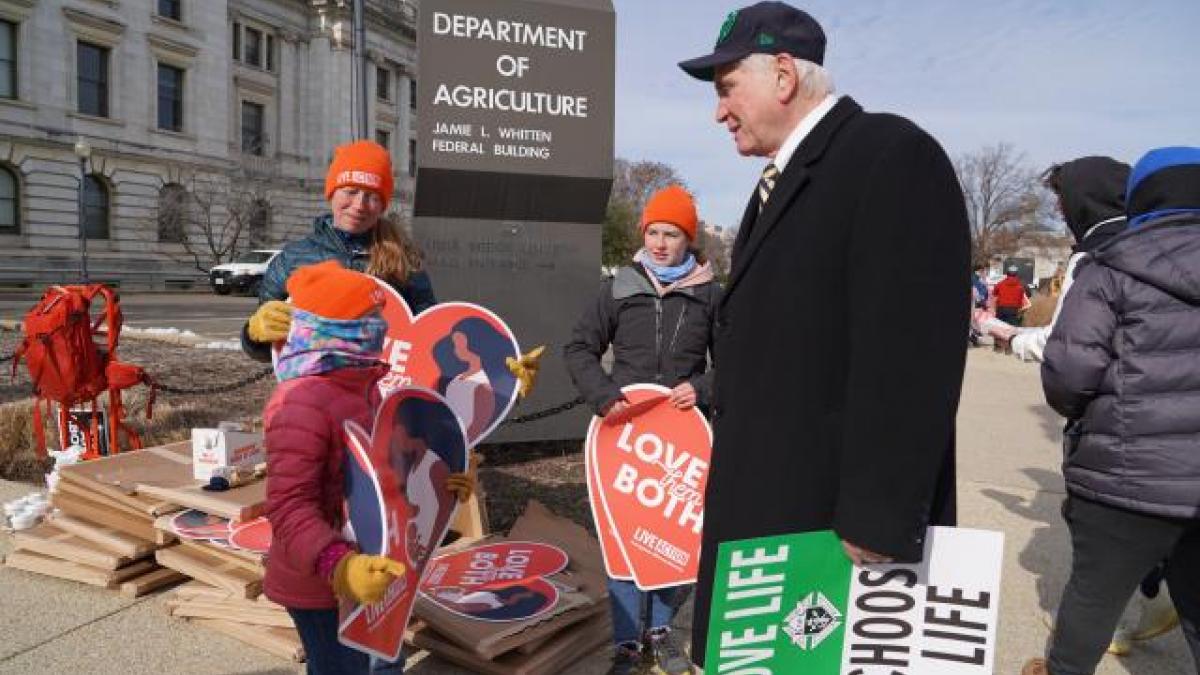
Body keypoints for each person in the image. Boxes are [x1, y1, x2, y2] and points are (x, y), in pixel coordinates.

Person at [677, 2, 969, 662]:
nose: (719, 112)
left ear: (783, 75)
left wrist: (879, 516)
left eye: (727, 88)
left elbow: (911, 353)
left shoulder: (890, 157)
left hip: (832, 527)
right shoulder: (780, 181)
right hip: (769, 502)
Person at [1022, 147, 1200, 675]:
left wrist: (1086, 418)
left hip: (1126, 476)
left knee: (1092, 598)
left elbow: (1069, 375)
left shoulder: (1110, 267)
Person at [262, 261, 472, 674]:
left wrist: (440, 480)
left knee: (380, 660)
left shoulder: (363, 384)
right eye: (371, 317)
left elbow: (379, 472)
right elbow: (288, 506)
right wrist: (339, 566)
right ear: (336, 327)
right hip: (321, 582)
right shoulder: (300, 401)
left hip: (370, 565)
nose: (381, 326)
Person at [564, 185, 720, 675]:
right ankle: (628, 641)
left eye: (671, 234)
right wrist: (604, 395)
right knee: (623, 536)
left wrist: (702, 387)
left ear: (688, 239)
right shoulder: (619, 287)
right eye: (653, 232)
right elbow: (579, 348)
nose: (660, 243)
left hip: (682, 439)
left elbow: (737, 362)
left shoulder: (710, 294)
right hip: (622, 434)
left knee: (674, 535)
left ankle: (662, 633)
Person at [242, 140, 435, 361]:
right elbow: (267, 349)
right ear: (332, 193)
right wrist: (254, 335)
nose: (360, 205)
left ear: (382, 206)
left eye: (372, 196)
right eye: (351, 191)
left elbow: (426, 332)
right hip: (312, 379)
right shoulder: (293, 258)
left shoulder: (404, 259)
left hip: (379, 380)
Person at [1010, 157, 1129, 362]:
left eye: (1062, 198)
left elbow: (1064, 344)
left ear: (1083, 199)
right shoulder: (1149, 243)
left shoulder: (1090, 258)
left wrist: (1013, 340)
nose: (1058, 209)